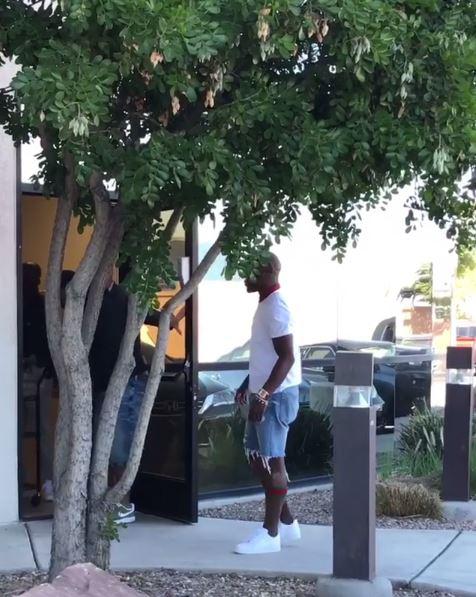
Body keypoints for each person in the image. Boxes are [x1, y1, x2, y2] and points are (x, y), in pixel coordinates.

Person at [89, 267, 183, 524]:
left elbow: (158, 317)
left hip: (127, 384)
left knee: (118, 446)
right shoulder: (86, 299)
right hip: (101, 385)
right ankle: (110, 504)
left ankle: (123, 505)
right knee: (103, 445)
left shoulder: (125, 298)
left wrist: (174, 315)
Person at [234, 253, 302, 554]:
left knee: (274, 461)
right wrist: (248, 384)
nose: (244, 278)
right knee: (254, 457)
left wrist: (263, 394)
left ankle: (271, 534)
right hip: (265, 394)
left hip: (275, 398)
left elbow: (287, 357)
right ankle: (287, 524)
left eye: (248, 272)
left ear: (265, 273)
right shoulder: (266, 304)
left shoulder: (276, 307)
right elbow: (267, 357)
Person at [22, 263, 55, 502]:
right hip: (17, 372)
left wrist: (49, 371)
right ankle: (22, 478)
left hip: (38, 372)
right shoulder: (13, 303)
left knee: (42, 430)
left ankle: (47, 482)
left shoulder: (43, 306)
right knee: (17, 430)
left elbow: (50, 341)